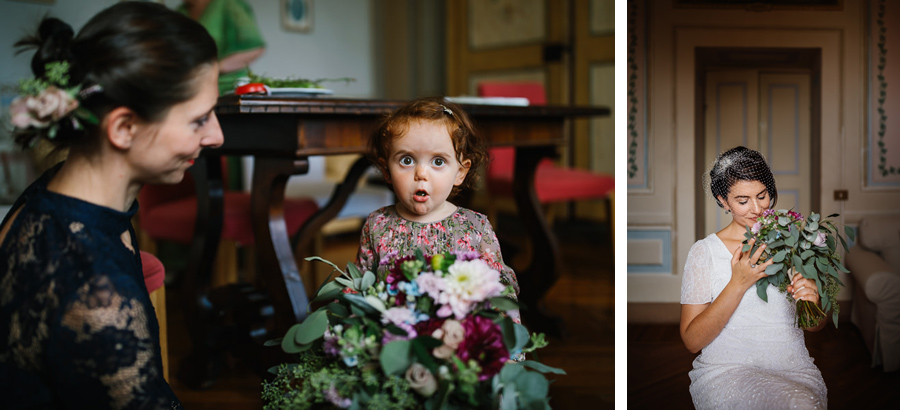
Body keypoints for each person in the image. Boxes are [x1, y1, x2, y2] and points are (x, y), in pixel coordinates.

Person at [0, 2, 223, 409]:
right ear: (123, 127)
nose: (217, 137)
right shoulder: (100, 297)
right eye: (199, 120)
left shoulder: (50, 194)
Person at [680, 146, 827, 409]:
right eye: (743, 200)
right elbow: (692, 342)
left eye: (762, 195)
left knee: (804, 404)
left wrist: (812, 301)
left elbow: (816, 326)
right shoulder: (705, 252)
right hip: (727, 371)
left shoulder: (796, 242)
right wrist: (738, 283)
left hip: (792, 369)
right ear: (722, 200)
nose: (757, 209)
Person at [355, 98, 520, 305]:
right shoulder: (377, 224)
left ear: (460, 172)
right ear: (387, 170)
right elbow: (358, 287)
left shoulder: (476, 227)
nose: (421, 174)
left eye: (438, 161)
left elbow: (501, 292)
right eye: (407, 160)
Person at [178, 0, 266, 95]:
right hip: (192, 86)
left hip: (228, 87)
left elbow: (255, 48)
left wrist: (216, 68)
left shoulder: (228, 3)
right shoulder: (181, 11)